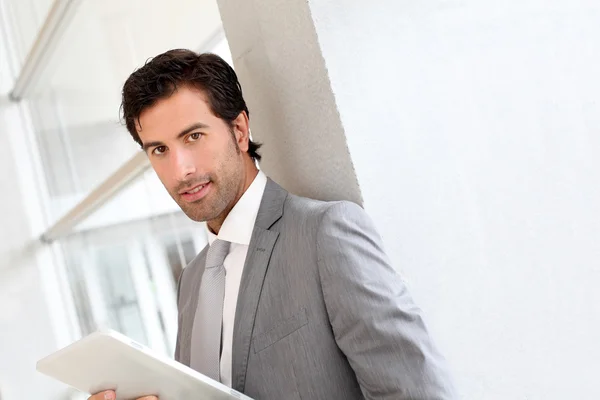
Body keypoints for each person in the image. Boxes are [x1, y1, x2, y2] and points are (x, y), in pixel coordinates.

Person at [89, 49, 456, 400]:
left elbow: (416, 392)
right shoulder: (193, 280)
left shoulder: (324, 235)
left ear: (239, 130)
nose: (180, 169)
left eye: (193, 137)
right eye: (159, 150)